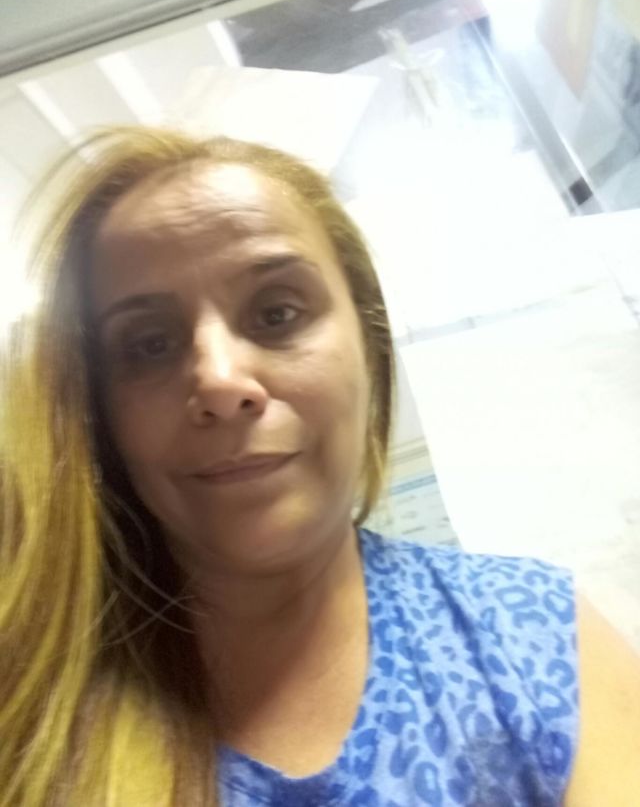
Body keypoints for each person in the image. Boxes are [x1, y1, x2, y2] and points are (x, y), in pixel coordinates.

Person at [0, 127, 638, 807]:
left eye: (277, 313)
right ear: (101, 414)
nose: (220, 380)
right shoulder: (33, 705)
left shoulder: (534, 636)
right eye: (150, 345)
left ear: (368, 345)